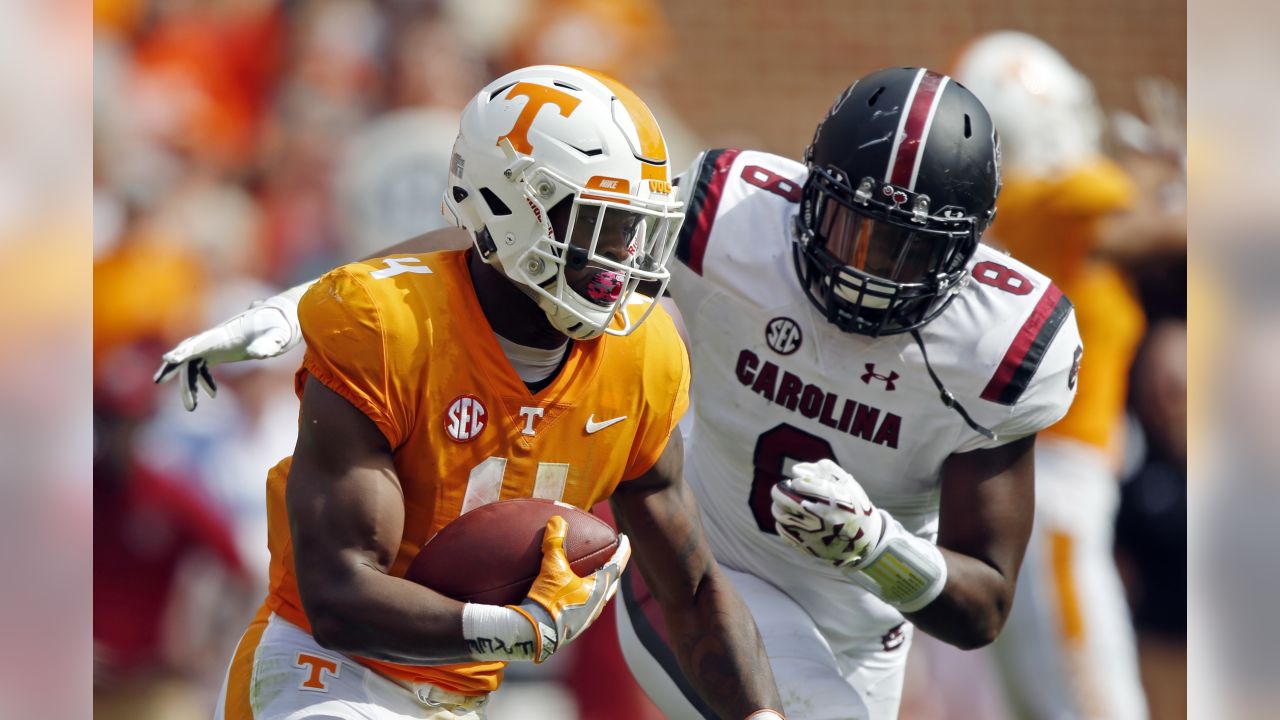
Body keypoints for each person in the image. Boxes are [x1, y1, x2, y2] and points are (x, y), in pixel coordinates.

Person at [159, 66, 1079, 719]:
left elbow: (982, 607)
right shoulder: (728, 225)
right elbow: (337, 592)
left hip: (847, 626)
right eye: (853, 228)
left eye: (912, 249)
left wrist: (880, 548)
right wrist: (299, 304)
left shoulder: (644, 352)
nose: (870, 267)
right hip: (348, 670)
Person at [157, 64, 785, 720]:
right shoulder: (387, 323)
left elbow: (689, 587)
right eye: (599, 226)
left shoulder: (644, 357)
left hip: (461, 698)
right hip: (327, 673)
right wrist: (515, 629)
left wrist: (759, 715)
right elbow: (338, 597)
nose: (621, 258)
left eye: (633, 229)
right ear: (512, 206)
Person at [949, 32, 1162, 719]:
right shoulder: (1046, 198)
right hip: (1057, 482)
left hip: (1063, 474)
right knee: (1093, 701)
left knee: (1048, 698)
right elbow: (1137, 225)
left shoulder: (1042, 207)